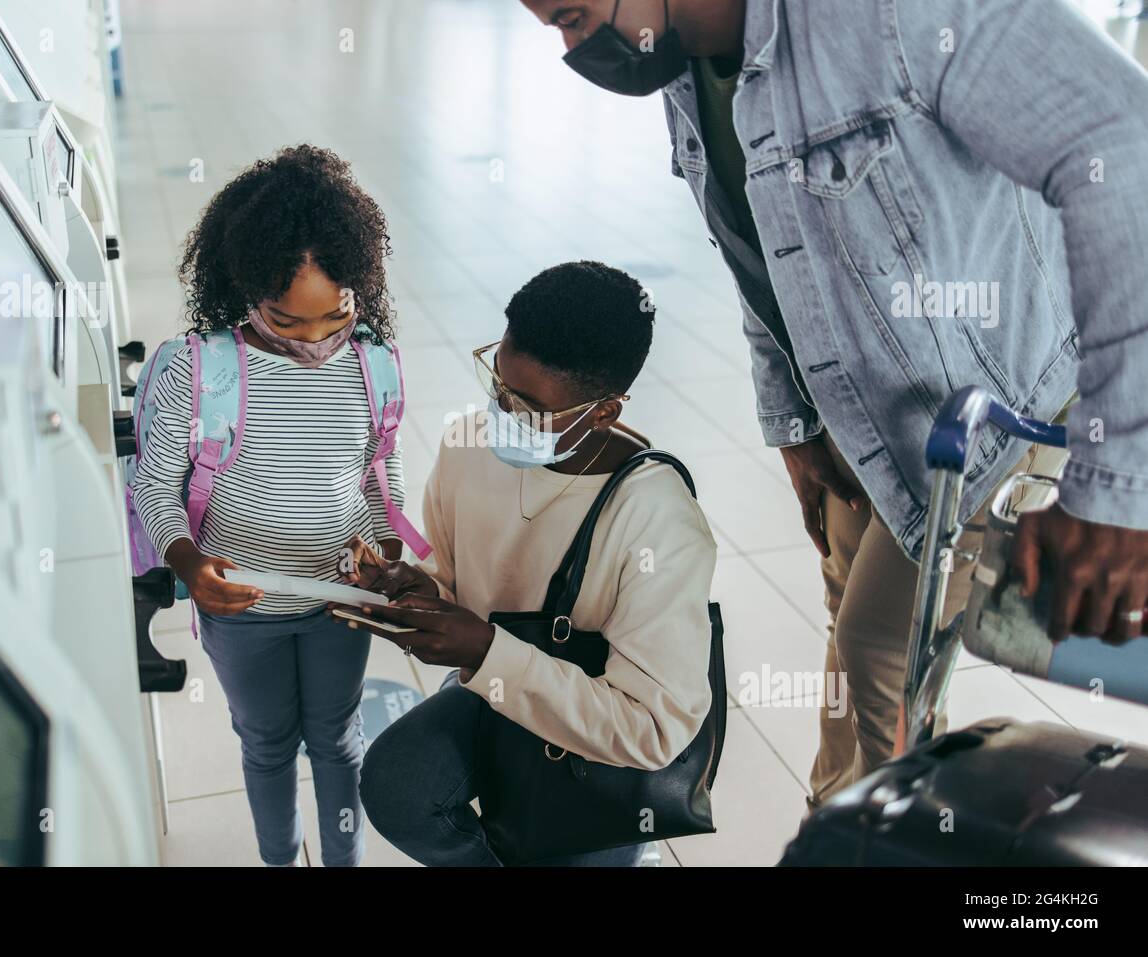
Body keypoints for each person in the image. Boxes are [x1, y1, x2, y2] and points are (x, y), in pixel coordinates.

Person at [519, 0, 1148, 807]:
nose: (574, 49)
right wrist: (795, 423)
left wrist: (1120, 484)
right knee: (852, 644)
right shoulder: (686, 70)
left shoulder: (887, 15)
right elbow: (758, 248)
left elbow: (1123, 145)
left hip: (993, 405)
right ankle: (835, 827)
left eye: (572, 16)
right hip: (860, 414)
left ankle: (878, 840)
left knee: (877, 651)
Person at [339, 262, 717, 866]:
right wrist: (419, 589)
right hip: (496, 691)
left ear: (603, 414)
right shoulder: (469, 448)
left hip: (600, 743)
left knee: (564, 849)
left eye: (529, 407)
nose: (503, 416)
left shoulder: (657, 520)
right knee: (395, 786)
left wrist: (485, 651)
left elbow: (653, 729)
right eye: (498, 387)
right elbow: (456, 581)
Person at [131, 145, 408, 867]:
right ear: (246, 292)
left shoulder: (374, 362)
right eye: (289, 321)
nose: (316, 340)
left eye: (335, 316)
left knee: (337, 739)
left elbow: (382, 467)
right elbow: (155, 486)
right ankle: (280, 859)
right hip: (242, 613)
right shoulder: (200, 370)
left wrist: (387, 552)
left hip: (338, 604)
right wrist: (190, 565)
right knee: (266, 743)